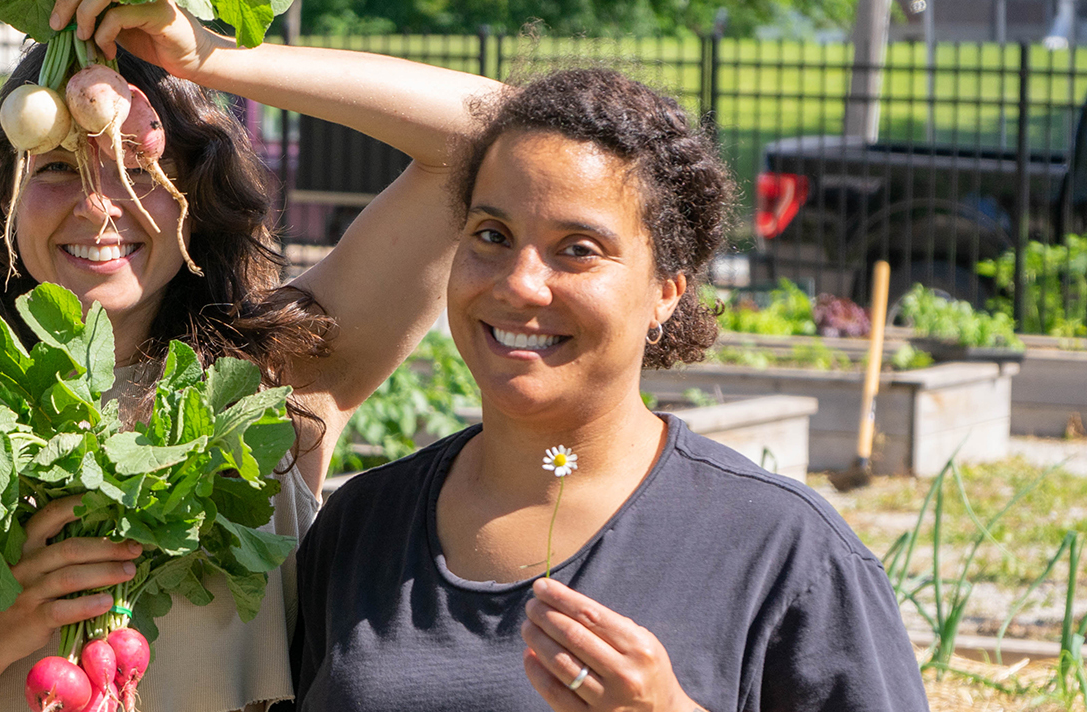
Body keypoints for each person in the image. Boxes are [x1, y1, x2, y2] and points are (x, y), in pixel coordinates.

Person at [0, 1, 501, 709]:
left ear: (198, 190)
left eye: (136, 169)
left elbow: (494, 131)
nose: (99, 207)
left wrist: (205, 58)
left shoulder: (280, 376)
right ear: (8, 189)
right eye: (59, 167)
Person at [290, 68, 930, 711]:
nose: (519, 284)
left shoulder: (784, 552)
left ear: (665, 293)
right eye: (492, 236)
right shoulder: (364, 525)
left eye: (578, 249)